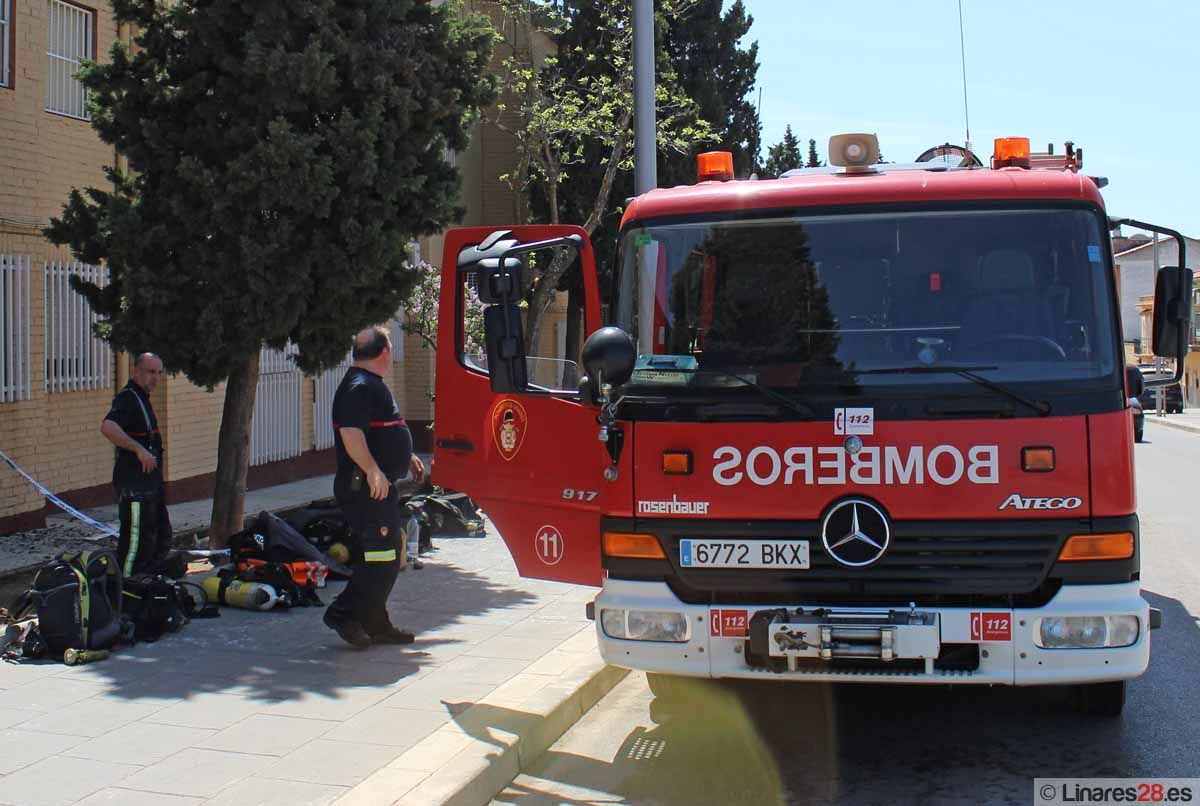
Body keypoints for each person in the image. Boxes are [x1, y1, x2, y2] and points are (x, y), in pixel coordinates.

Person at [323, 325, 425, 648]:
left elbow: (381, 431)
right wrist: (372, 471)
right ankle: (343, 613)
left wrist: (405, 456)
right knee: (383, 556)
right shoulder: (358, 386)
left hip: (376, 485)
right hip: (365, 488)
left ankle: (375, 622)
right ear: (385, 353)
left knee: (384, 555)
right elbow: (351, 434)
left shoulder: (369, 384)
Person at [101, 352, 171, 577]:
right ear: (136, 372)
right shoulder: (129, 398)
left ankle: (149, 589)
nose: (155, 378)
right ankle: (128, 592)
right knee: (136, 544)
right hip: (135, 486)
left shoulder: (143, 398)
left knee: (160, 537)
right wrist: (139, 450)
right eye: (150, 372)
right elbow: (108, 427)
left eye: (158, 373)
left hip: (150, 484)